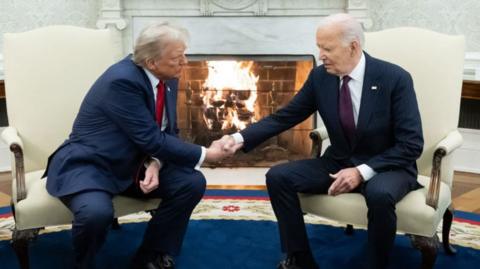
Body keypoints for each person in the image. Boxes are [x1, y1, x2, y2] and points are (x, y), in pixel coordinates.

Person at [220, 13, 424, 269]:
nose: (321, 55)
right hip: (339, 160)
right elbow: (286, 117)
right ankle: (299, 258)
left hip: (387, 166)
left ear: (353, 46)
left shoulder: (394, 78)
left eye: (327, 48)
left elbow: (411, 144)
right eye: (319, 47)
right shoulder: (321, 77)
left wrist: (361, 172)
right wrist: (238, 138)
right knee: (278, 177)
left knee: (380, 194)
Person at [44, 22, 238, 269]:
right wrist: (207, 154)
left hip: (134, 162)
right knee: (95, 214)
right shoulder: (121, 81)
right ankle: (84, 264)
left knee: (191, 182)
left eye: (184, 54)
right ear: (151, 63)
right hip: (93, 164)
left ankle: (150, 256)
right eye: (177, 58)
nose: (185, 63)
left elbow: (167, 132)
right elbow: (151, 138)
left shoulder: (167, 77)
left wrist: (155, 162)